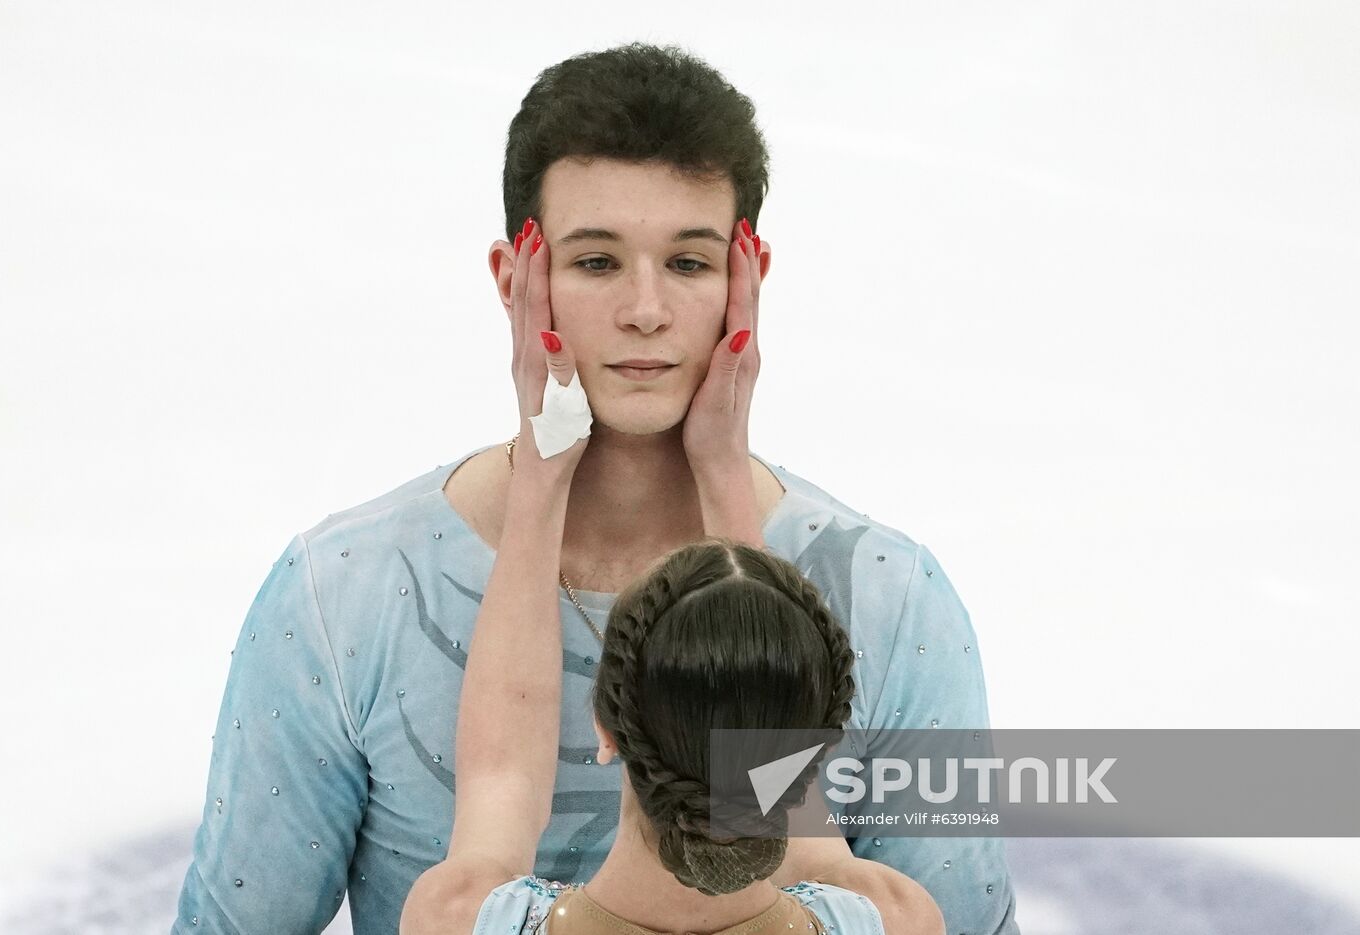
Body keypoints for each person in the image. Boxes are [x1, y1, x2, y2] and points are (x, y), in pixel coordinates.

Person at [171, 41, 1018, 934]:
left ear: (747, 277)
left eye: (689, 263)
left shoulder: (892, 600)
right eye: (597, 261)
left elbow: (488, 826)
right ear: (516, 279)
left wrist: (543, 480)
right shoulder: (343, 597)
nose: (645, 309)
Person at [396, 271, 941, 931]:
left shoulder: (458, 919)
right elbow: (814, 849)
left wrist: (541, 476)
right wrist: (723, 463)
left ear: (604, 727)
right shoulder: (893, 918)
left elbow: (500, 779)